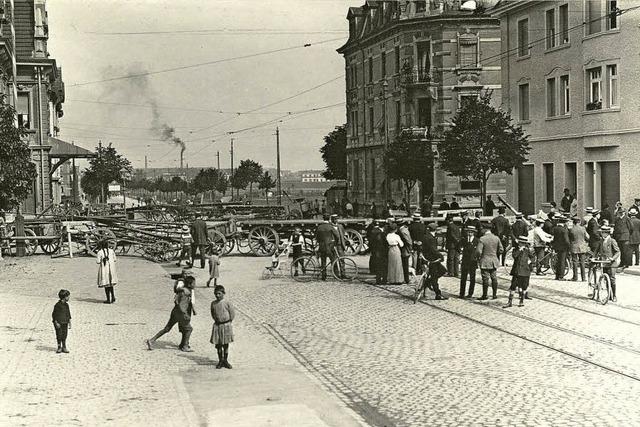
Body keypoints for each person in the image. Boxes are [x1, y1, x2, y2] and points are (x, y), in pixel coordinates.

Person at [146, 272, 197, 352]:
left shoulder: (182, 291)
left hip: (175, 312)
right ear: (190, 284)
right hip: (181, 314)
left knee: (167, 328)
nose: (195, 285)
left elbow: (176, 301)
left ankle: (152, 340)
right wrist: (185, 314)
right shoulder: (186, 293)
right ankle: (185, 346)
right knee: (189, 329)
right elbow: (181, 305)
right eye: (194, 283)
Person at [504, 237, 535, 308]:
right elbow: (514, 256)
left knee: (524, 287)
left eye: (523, 243)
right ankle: (510, 301)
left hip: (525, 271)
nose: (522, 245)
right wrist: (519, 250)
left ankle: (521, 301)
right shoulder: (515, 250)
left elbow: (533, 258)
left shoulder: (527, 250)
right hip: (517, 271)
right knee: (513, 286)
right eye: (521, 243)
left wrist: (530, 262)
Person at [210, 285, 235, 369]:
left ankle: (226, 360)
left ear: (223, 293)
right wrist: (218, 321)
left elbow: (232, 314)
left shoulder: (227, 303)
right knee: (219, 344)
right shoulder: (213, 303)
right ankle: (220, 360)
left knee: (226, 344)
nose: (217, 295)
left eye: (219, 293)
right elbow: (213, 314)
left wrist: (228, 321)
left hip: (226, 325)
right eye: (216, 294)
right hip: (217, 325)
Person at [422, 223, 448, 300]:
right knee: (435, 276)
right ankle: (438, 294)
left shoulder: (426, 236)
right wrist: (441, 256)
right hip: (432, 259)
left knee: (442, 271)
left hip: (429, 258)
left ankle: (428, 283)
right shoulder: (431, 238)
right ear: (435, 230)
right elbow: (433, 249)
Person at [475, 227, 503, 300]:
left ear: (484, 230)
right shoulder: (496, 238)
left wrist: (478, 257)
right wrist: (495, 255)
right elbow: (501, 249)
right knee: (494, 278)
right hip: (494, 261)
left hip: (485, 261)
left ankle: (485, 295)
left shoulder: (482, 239)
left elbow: (478, 251)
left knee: (485, 278)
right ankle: (494, 295)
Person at [315, 216, 339, 280]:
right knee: (333, 260)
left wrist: (320, 242)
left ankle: (323, 276)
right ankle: (336, 274)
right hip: (330, 246)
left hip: (322, 246)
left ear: (323, 219)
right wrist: (335, 243)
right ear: (329, 219)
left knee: (323, 261)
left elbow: (316, 237)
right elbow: (337, 236)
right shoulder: (330, 226)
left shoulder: (319, 227)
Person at [600, 226, 620, 302]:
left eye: (603, 232)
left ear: (606, 233)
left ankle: (614, 295)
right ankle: (609, 295)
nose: (602, 234)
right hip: (604, 262)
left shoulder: (612, 241)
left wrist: (613, 258)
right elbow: (597, 250)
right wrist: (594, 257)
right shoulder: (601, 241)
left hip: (611, 263)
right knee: (605, 278)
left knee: (612, 279)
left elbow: (617, 252)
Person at [459, 225, 479, 299]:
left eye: (471, 232)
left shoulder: (477, 240)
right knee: (463, 278)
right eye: (468, 232)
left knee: (472, 278)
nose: (469, 233)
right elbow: (459, 247)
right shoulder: (464, 240)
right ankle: (462, 293)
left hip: (473, 262)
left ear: (474, 233)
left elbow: (479, 251)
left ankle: (470, 293)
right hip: (465, 261)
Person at [96, 240, 118, 304]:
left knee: (106, 285)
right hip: (111, 269)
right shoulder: (111, 251)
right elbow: (115, 259)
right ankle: (113, 297)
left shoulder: (100, 252)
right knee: (111, 284)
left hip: (104, 270)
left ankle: (108, 299)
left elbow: (98, 261)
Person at [52, 289, 72, 354]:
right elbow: (54, 314)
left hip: (65, 322)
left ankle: (64, 346)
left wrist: (69, 321)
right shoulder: (57, 305)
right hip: (59, 323)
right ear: (64, 297)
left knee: (64, 335)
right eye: (68, 296)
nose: (69, 298)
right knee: (59, 335)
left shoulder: (67, 305)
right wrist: (56, 322)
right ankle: (59, 347)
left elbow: (68, 313)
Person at [551, 216, 570, 281]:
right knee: (562, 262)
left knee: (558, 261)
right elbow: (566, 240)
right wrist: (569, 246)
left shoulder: (555, 228)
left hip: (556, 247)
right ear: (564, 222)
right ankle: (561, 276)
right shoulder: (564, 230)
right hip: (563, 247)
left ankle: (557, 275)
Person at [398, 219, 413, 284]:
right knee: (405, 264)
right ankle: (406, 279)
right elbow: (408, 240)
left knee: (403, 264)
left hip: (402, 249)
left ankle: (404, 278)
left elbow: (407, 240)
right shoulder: (404, 230)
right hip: (405, 249)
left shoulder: (400, 230)